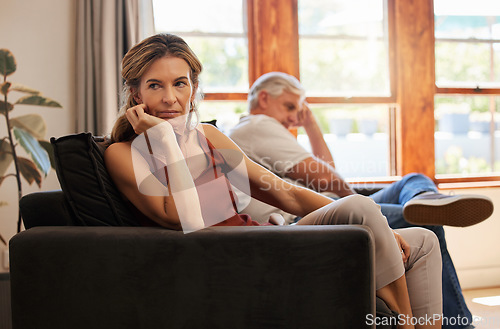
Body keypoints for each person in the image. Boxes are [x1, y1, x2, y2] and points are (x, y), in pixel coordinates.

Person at [104, 33, 443, 329]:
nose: (170, 98)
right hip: (236, 258)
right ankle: (405, 323)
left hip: (269, 238)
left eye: (180, 83)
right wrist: (165, 139)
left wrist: (383, 226)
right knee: (360, 205)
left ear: (193, 89)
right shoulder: (121, 153)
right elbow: (182, 216)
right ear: (136, 94)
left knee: (423, 241)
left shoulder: (207, 135)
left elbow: (288, 195)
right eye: (154, 85)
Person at [228, 71, 492, 329]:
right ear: (263, 98)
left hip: (329, 202)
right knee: (426, 225)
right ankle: (459, 325)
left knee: (411, 181)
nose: (293, 117)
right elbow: (325, 178)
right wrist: (359, 204)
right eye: (289, 107)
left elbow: (325, 169)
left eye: (298, 111)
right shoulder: (257, 125)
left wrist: (312, 125)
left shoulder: (267, 131)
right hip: (317, 213)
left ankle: (425, 198)